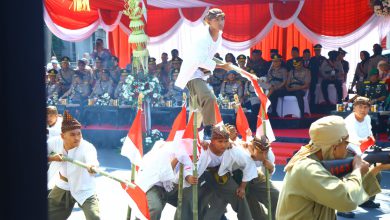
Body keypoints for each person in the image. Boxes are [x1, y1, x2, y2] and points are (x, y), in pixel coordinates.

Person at [276, 115, 389, 220]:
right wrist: (357, 171)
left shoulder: (315, 160)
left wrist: (376, 169)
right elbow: (347, 201)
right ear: (333, 147)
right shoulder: (308, 168)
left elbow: (347, 191)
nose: (347, 150)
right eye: (346, 144)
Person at [175, 8, 233, 140]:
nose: (220, 22)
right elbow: (200, 60)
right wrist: (223, 66)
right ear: (208, 21)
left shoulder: (219, 36)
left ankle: (190, 136)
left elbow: (209, 56)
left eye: (222, 19)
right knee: (210, 98)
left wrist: (222, 63)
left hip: (202, 73)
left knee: (197, 109)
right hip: (192, 73)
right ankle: (208, 130)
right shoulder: (202, 37)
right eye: (216, 19)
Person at [178, 124, 257, 220]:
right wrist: (189, 177)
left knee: (239, 195)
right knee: (187, 197)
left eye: (226, 141)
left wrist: (243, 187)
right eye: (220, 141)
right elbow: (189, 164)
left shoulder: (232, 149)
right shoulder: (203, 149)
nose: (223, 145)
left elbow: (249, 163)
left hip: (221, 175)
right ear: (212, 141)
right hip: (201, 175)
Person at [47, 111, 100, 220]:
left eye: (79, 134)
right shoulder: (54, 142)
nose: (77, 138)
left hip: (84, 187)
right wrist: (53, 158)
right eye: (72, 134)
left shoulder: (87, 147)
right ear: (62, 136)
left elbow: (93, 161)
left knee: (94, 217)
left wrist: (92, 167)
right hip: (63, 185)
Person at [309, 44, 326, 111]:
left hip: (322, 78)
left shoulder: (323, 59)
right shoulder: (312, 59)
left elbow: (325, 69)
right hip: (313, 78)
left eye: (319, 50)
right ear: (314, 51)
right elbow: (310, 69)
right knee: (312, 91)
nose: (317, 51)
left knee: (322, 90)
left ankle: (322, 106)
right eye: (316, 50)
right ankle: (312, 106)